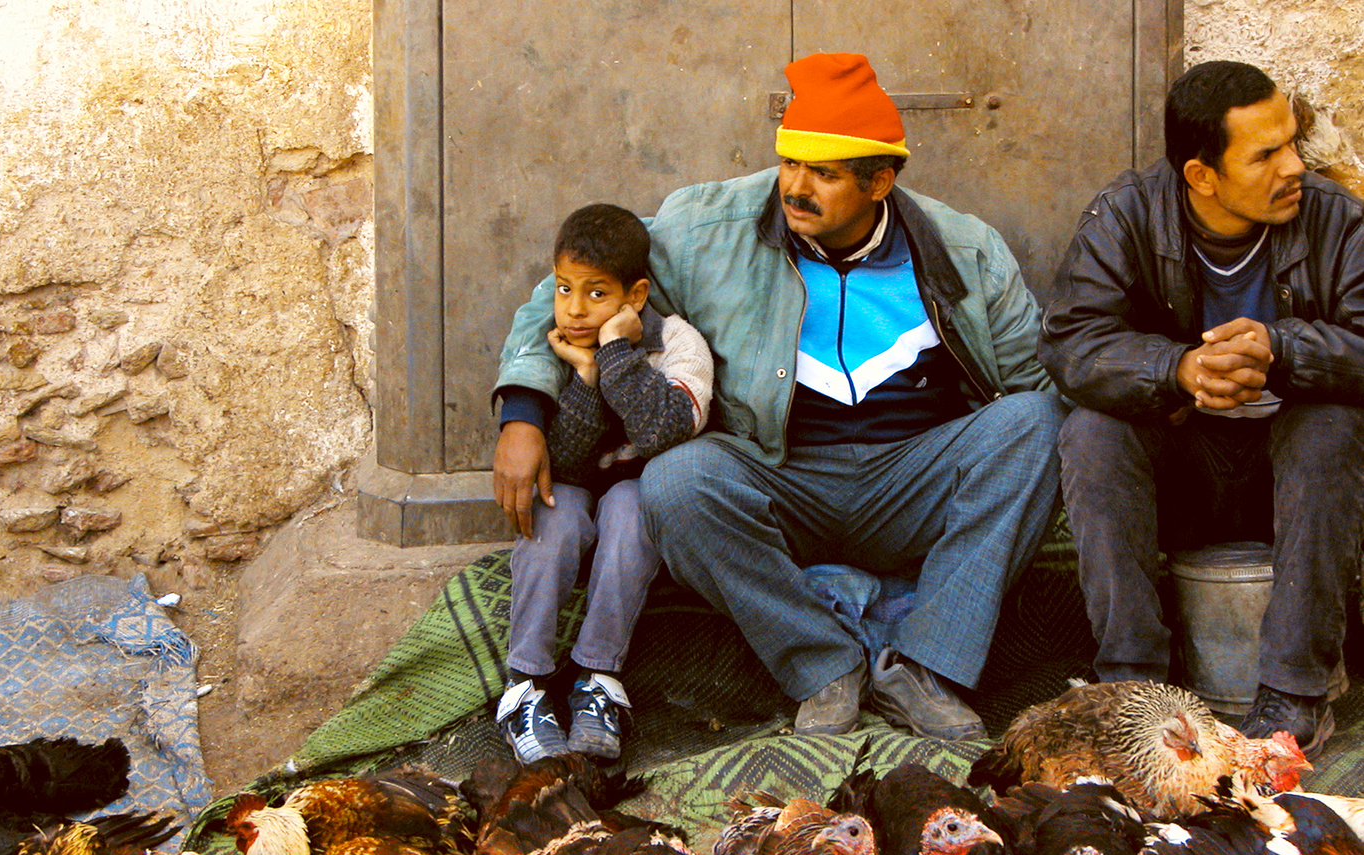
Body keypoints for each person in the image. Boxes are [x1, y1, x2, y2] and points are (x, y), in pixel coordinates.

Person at [494, 53, 1063, 741]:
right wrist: (522, 416)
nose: (796, 188)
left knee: (1035, 424)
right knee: (676, 480)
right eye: (791, 163)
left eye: (824, 174)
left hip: (913, 477)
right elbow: (565, 291)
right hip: (781, 473)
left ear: (879, 181)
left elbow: (1034, 385)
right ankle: (824, 667)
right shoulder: (710, 229)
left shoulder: (965, 249)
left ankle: (924, 667)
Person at [1040, 60, 1364, 754]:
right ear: (1201, 175)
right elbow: (1071, 345)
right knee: (1093, 433)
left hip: (1297, 483)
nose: (1295, 167)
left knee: (1333, 426)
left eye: (1293, 142)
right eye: (1267, 153)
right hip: (1182, 477)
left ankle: (1294, 691)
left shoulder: (1337, 222)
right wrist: (1177, 369)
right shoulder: (1125, 214)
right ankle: (1131, 687)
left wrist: (1283, 350)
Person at [491, 203, 712, 764]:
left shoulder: (679, 345)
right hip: (575, 489)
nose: (574, 310)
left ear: (635, 296)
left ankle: (598, 678)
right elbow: (562, 464)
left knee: (631, 506)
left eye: (596, 294)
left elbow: (660, 431)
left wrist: (612, 355)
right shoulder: (555, 343)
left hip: (639, 494)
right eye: (565, 290)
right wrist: (584, 381)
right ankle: (525, 684)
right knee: (556, 514)